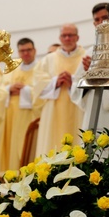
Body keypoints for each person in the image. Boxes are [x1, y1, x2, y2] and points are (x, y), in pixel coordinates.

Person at [32, 24, 86, 156]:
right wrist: (55, 81)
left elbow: (92, 81)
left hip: (78, 110)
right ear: (60, 38)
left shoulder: (86, 58)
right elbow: (37, 83)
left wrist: (72, 81)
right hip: (53, 112)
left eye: (71, 35)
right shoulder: (48, 59)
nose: (67, 38)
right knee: (52, 146)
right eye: (64, 35)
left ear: (77, 37)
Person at [70, 3, 109, 131]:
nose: (101, 22)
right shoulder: (90, 52)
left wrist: (96, 70)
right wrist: (89, 74)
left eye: (105, 18)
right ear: (94, 24)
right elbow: (76, 86)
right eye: (97, 19)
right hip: (93, 107)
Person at [0, 38, 42, 170]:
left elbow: (43, 90)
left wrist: (25, 89)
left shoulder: (40, 68)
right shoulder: (12, 69)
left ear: (34, 51)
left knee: (27, 147)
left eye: (29, 50)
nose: (26, 53)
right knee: (12, 147)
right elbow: (0, 90)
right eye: (22, 51)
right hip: (11, 118)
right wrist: (9, 89)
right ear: (18, 52)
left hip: (30, 117)